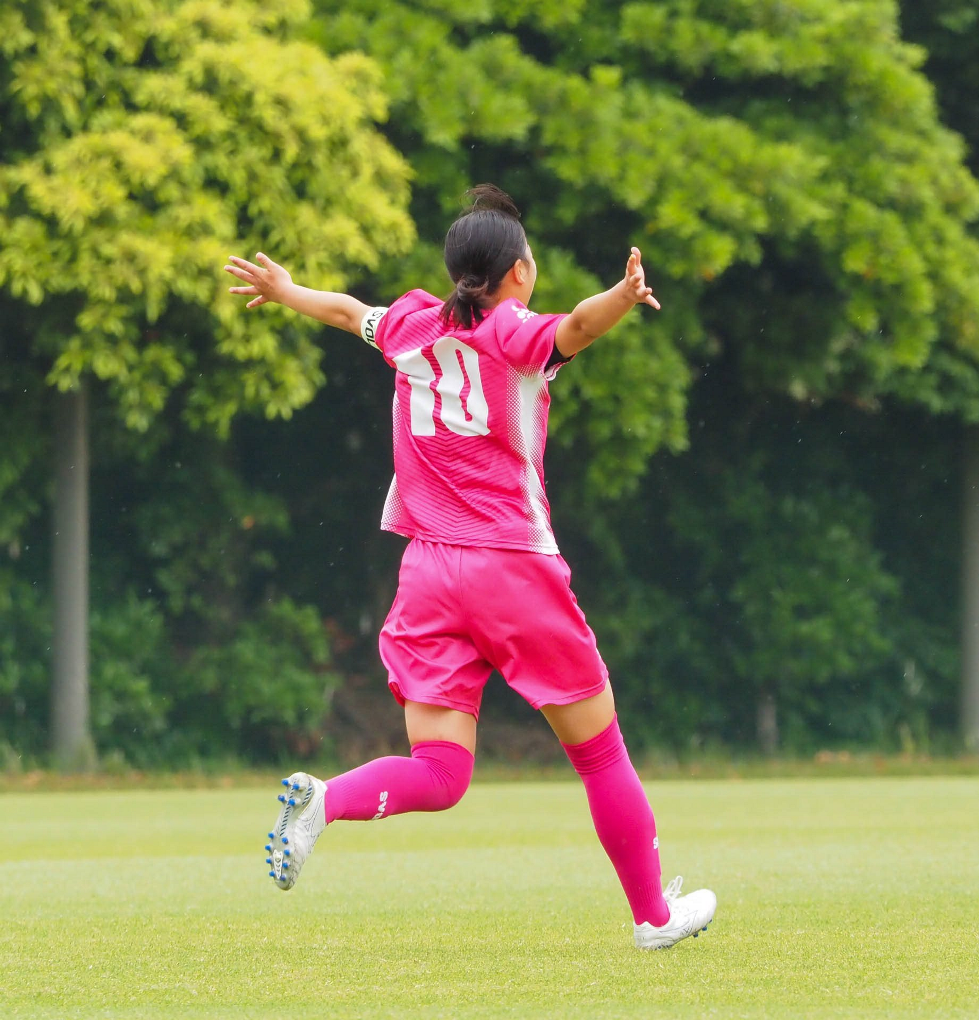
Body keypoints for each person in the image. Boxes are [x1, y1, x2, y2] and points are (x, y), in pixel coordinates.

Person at [225, 185, 716, 949]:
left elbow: (345, 311)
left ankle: (325, 802)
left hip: (427, 572)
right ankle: (653, 916)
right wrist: (623, 294)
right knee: (600, 751)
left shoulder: (411, 326)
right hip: (511, 568)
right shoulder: (512, 331)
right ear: (519, 271)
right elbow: (578, 327)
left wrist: (285, 289)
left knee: (442, 771)